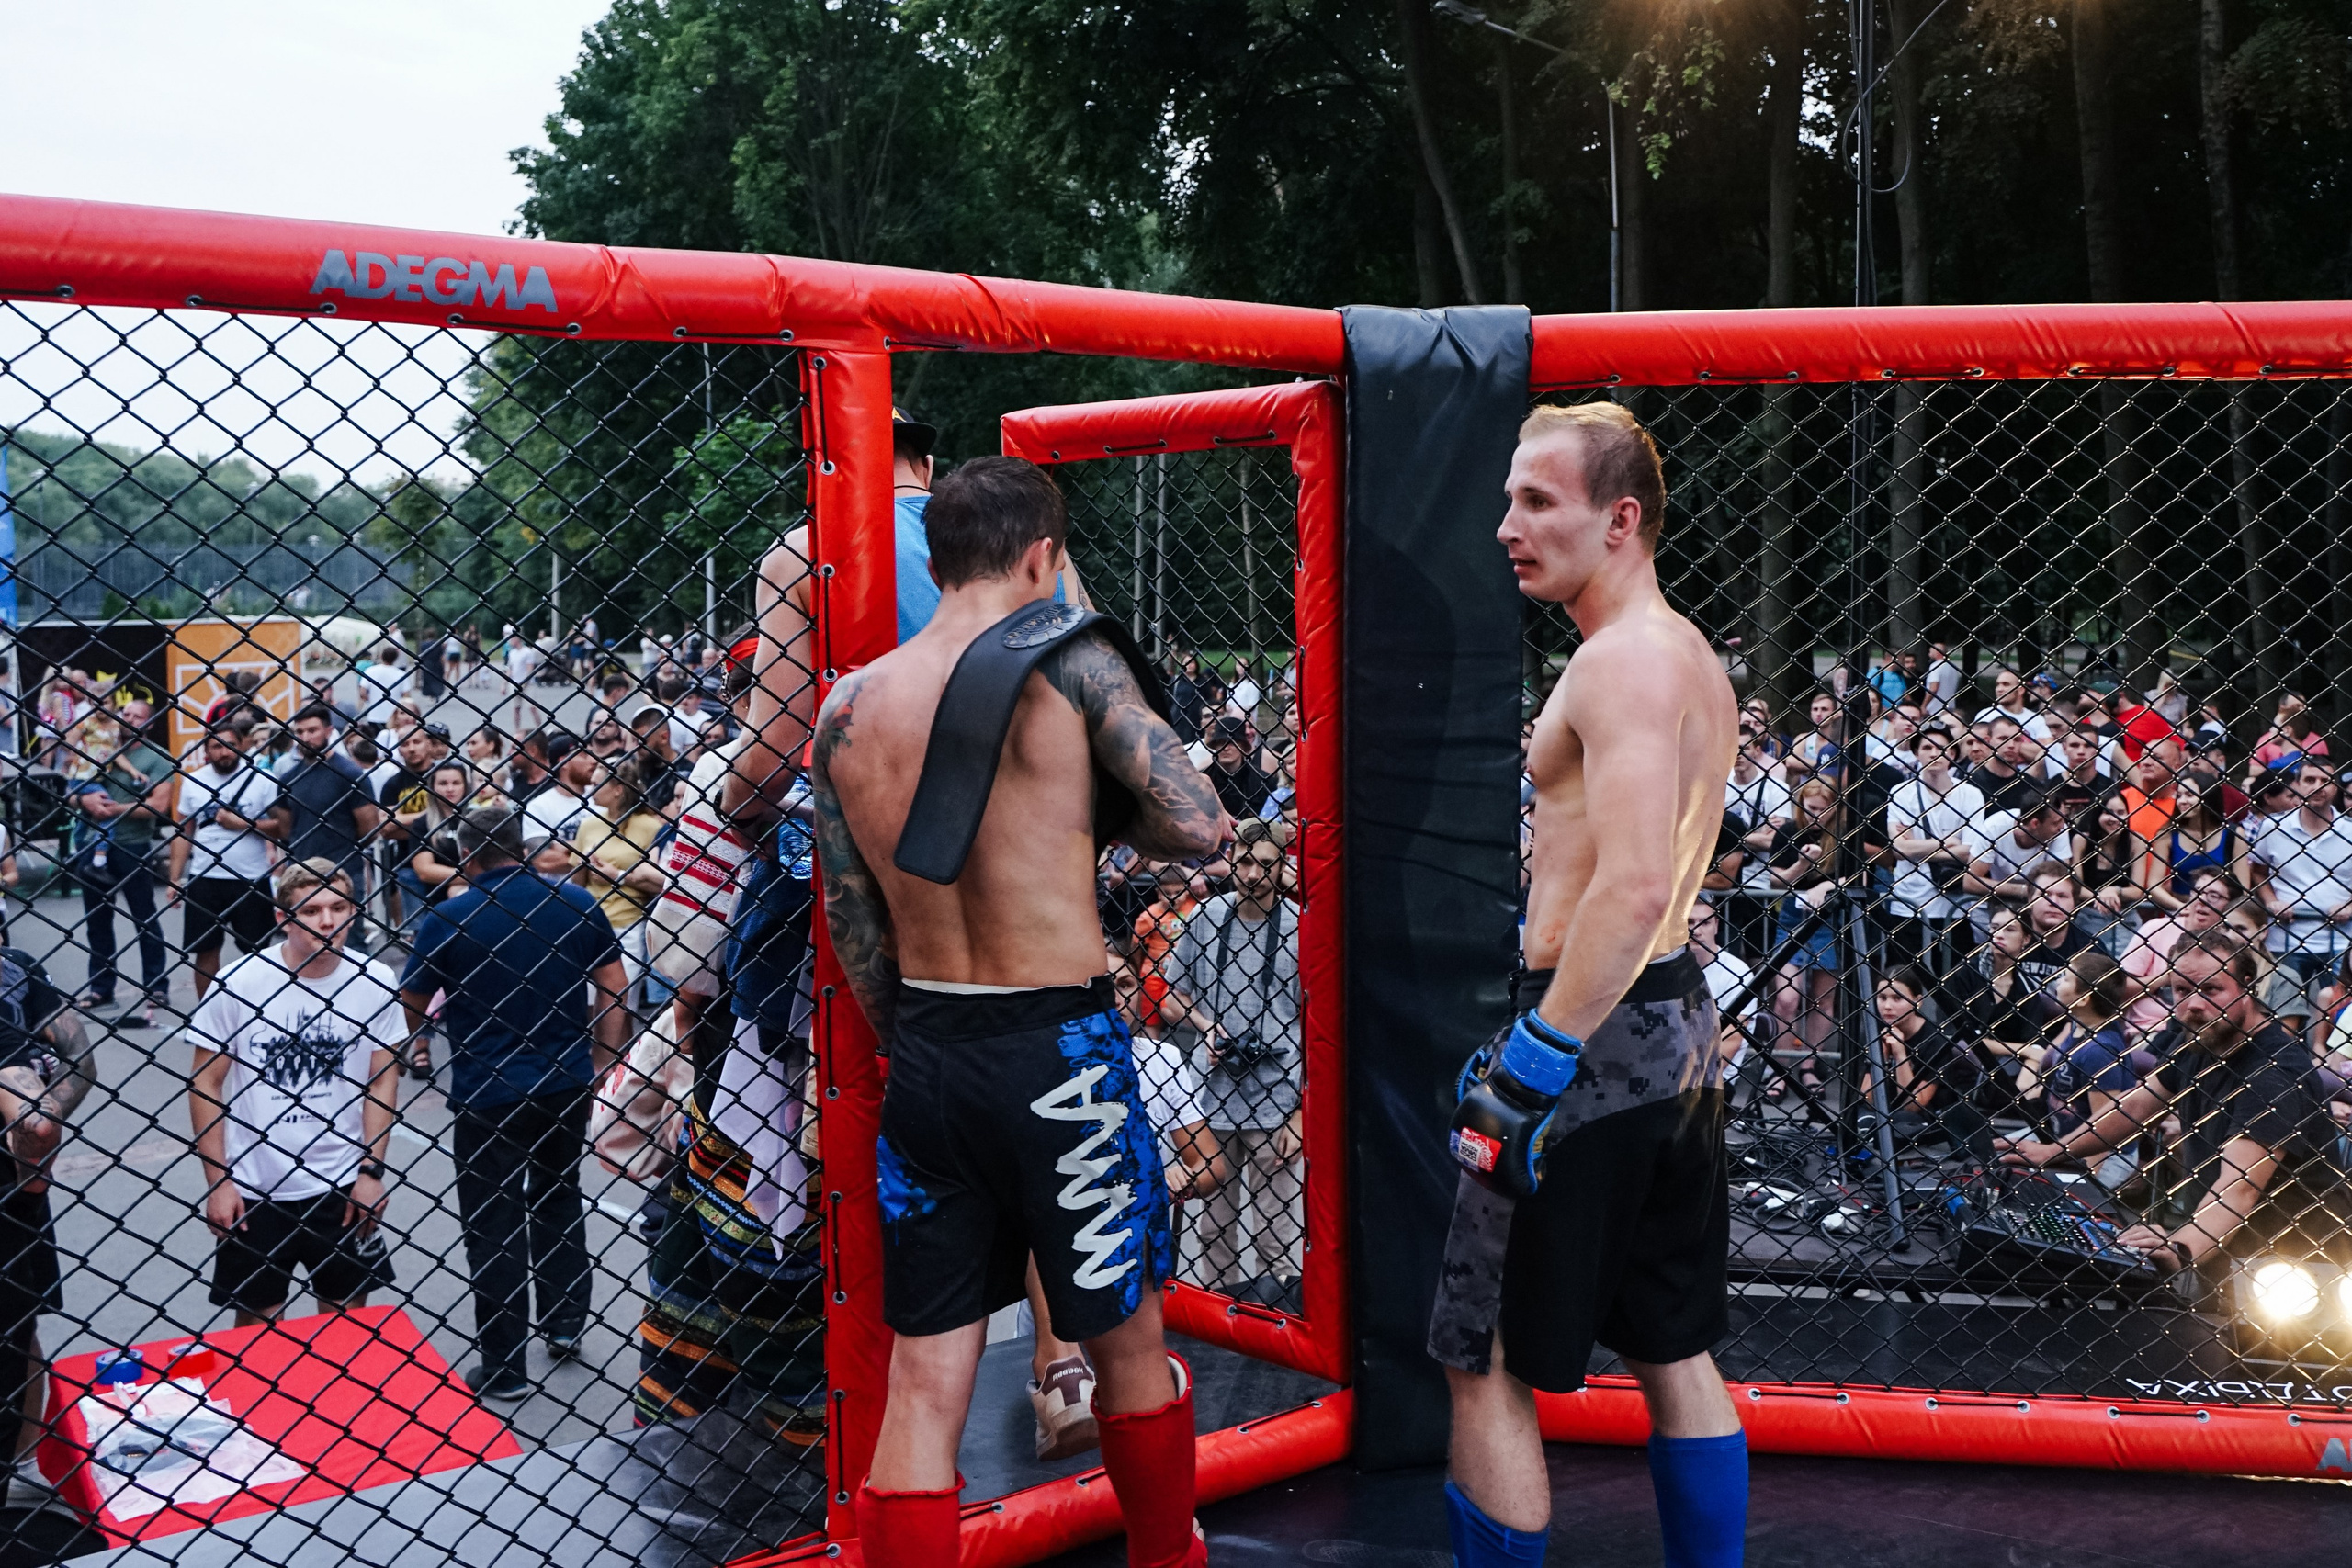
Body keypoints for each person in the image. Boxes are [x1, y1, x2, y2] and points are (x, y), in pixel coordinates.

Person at [807, 455, 1226, 1567]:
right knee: (1127, 1341)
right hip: (1059, 1048)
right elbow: (1200, 823)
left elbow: (854, 923)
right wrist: (1076, 814)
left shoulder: (849, 706)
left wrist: (918, 1045)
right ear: (1044, 556)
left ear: (932, 558)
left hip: (931, 1057)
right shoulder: (1072, 661)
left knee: (926, 1374)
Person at [1430, 402, 1746, 1568]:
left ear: (1619, 520)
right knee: (1670, 1342)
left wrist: (1533, 1063)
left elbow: (1624, 889)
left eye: (1536, 502)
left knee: (1485, 1358)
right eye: (1509, 498)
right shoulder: (1686, 654)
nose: (1506, 524)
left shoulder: (1618, 664)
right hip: (1673, 1027)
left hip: (1593, 1034)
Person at [398, 806, 630, 1401]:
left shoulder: (449, 916)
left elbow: (414, 998)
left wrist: (424, 1036)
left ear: (467, 856)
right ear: (520, 847)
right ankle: (565, 1319)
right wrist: (603, 1055)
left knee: (492, 1220)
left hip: (487, 1087)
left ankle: (504, 1363)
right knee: (558, 1192)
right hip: (564, 1076)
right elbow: (613, 984)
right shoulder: (575, 902)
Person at [2000, 933, 2346, 1273]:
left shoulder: (2275, 1072)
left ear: (2247, 988)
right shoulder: (2200, 1036)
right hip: (2231, 1247)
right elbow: (2136, 1106)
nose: (2194, 1003)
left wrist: (2180, 1248)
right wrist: (2053, 1152)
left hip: (2299, 1262)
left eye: (2211, 989)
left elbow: (2240, 1186)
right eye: (2182, 990)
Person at [187, 859, 404, 1327]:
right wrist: (218, 1182)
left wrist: (371, 1171)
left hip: (341, 1182)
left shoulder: (376, 982)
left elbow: (383, 1077)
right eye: (311, 911)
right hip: (256, 1186)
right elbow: (205, 1081)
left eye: (338, 907)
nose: (327, 921)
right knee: (257, 1330)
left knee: (346, 1329)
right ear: (283, 919)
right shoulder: (239, 983)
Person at [1164, 818, 1302, 1297]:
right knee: (1213, 1233)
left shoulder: (1301, 928)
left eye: (1265, 864)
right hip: (1215, 1096)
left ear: (1281, 866)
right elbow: (1169, 998)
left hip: (1278, 1098)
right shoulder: (1207, 916)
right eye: (1244, 862)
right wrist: (1206, 1027)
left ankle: (1278, 1329)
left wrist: (1302, 1113)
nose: (1252, 874)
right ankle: (1219, 1328)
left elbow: (1324, 1026)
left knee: (1275, 1238)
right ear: (1232, 862)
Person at [67, 710, 176, 1026]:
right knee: (96, 921)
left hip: (132, 846)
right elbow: (70, 789)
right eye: (125, 712)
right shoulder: (96, 744)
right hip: (91, 843)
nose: (128, 718)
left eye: (138, 715)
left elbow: (160, 805)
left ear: (150, 723)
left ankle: (156, 986)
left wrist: (115, 810)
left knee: (144, 917)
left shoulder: (157, 758)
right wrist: (83, 802)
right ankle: (101, 988)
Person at [169, 720, 284, 1001]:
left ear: (243, 745)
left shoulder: (263, 781)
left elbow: (281, 827)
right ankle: (209, 1015)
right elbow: (184, 831)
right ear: (206, 751)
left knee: (257, 951)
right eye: (216, 747)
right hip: (204, 878)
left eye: (230, 746)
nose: (224, 753)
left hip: (251, 877)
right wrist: (175, 877)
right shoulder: (193, 781)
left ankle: (260, 1010)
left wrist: (243, 823)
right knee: (205, 950)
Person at [262, 705, 384, 950]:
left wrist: (342, 843)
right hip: (300, 872)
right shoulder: (288, 779)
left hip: (343, 870)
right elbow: (286, 831)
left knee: (350, 942)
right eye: (300, 731)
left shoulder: (350, 774)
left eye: (313, 730)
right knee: (302, 942)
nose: (305, 737)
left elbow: (369, 828)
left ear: (329, 730)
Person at [2247, 757, 2352, 1021]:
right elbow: (2258, 870)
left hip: (2341, 938)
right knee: (2285, 1014)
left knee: (2341, 1014)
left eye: (2325, 780)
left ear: (2336, 787)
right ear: (2297, 785)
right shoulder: (2273, 827)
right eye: (2310, 780)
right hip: (2288, 936)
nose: (2318, 786)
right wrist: (2271, 901)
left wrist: (2350, 906)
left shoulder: (2349, 830)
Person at [1886, 728, 1982, 978]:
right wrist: (1946, 843)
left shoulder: (1970, 794)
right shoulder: (1901, 793)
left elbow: (1971, 851)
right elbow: (1898, 849)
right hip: (1909, 903)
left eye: (1940, 747)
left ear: (1951, 753)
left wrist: (1919, 847)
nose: (1934, 754)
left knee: (1954, 983)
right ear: (1916, 753)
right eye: (1926, 748)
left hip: (1953, 904)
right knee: (1907, 980)